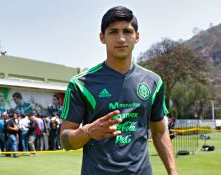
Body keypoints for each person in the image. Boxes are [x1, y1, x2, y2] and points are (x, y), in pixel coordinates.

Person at [60, 6, 177, 175]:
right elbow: (65, 141)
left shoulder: (153, 82)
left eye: (127, 31)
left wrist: (173, 172)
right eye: (113, 32)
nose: (121, 38)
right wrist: (88, 131)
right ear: (102, 38)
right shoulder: (81, 83)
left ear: (137, 36)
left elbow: (159, 132)